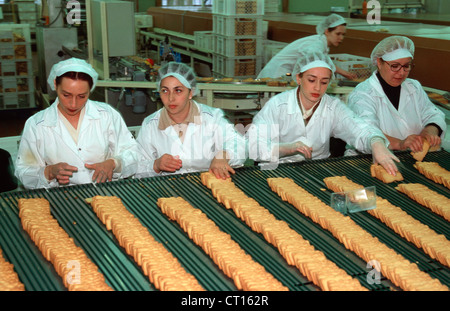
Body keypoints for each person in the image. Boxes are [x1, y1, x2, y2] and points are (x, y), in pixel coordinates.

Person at [247, 49, 399, 176]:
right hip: (276, 171)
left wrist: (376, 143)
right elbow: (254, 146)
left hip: (316, 171)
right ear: (298, 78)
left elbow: (358, 128)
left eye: (324, 82)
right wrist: (289, 148)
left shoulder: (333, 107)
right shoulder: (278, 105)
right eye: (311, 80)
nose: (318, 88)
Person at [15, 58, 140, 189]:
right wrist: (48, 172)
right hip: (60, 198)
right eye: (66, 95)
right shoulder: (36, 124)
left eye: (82, 96)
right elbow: (23, 171)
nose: (73, 104)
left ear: (90, 90)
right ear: (55, 84)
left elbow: (133, 153)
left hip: (105, 193)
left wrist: (114, 163)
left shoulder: (107, 115)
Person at [136, 62, 246, 179]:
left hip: (207, 185)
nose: (171, 98)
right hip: (168, 189)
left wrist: (223, 156)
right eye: (165, 90)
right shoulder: (150, 125)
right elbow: (136, 167)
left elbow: (239, 144)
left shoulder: (212, 118)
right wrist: (156, 165)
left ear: (191, 93)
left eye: (178, 90)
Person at [347, 36, 446, 153]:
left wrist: (430, 131)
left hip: (411, 157)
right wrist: (400, 143)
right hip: (370, 160)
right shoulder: (363, 93)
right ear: (379, 63)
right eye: (395, 66)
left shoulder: (413, 87)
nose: (401, 72)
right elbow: (366, 131)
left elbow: (432, 114)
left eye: (406, 66)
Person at [257, 13, 356, 80]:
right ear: (326, 31)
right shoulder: (317, 43)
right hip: (277, 74)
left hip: (283, 74)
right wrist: (344, 73)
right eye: (338, 34)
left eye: (343, 35)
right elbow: (317, 60)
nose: (341, 38)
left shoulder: (321, 43)